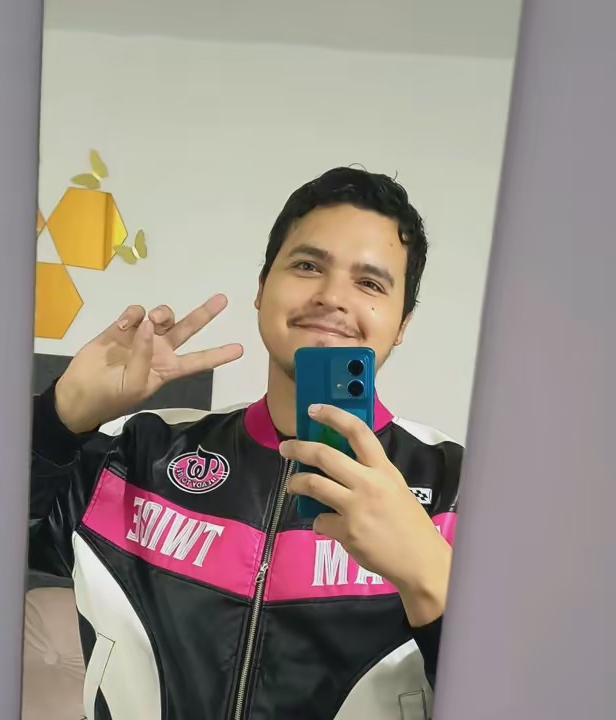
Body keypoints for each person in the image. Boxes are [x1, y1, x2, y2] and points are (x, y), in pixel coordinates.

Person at [29, 166, 462, 720]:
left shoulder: (459, 491)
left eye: (370, 284)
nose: (332, 296)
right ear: (261, 289)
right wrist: (59, 418)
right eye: (308, 265)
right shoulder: (141, 453)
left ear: (401, 324)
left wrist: (433, 583)